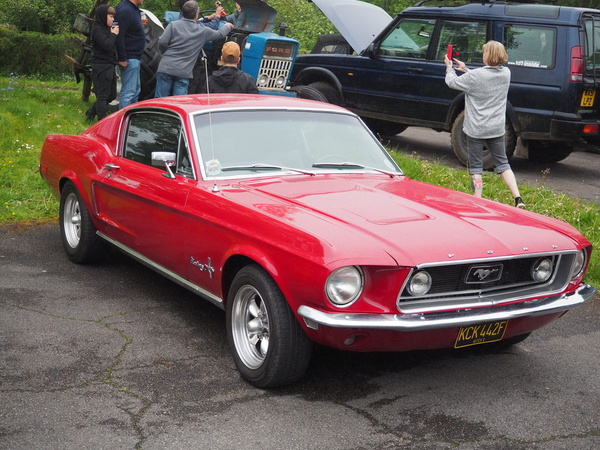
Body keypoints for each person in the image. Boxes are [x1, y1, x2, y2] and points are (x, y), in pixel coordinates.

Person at [445, 40, 525, 209]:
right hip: (496, 128)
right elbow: (485, 79)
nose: (483, 55)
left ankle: (478, 198)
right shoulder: (506, 73)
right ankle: (518, 198)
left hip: (476, 129)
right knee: (503, 163)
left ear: (488, 55)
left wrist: (449, 67)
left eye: (484, 52)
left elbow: (452, 82)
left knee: (476, 166)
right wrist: (466, 69)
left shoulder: (476, 76)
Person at [155, 1, 233, 98]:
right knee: (179, 102)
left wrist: (166, 54)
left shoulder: (173, 25)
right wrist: (227, 26)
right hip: (183, 72)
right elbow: (220, 34)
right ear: (196, 15)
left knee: (159, 99)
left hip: (166, 67)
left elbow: (162, 42)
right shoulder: (201, 30)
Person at [85, 5, 119, 122]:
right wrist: (113, 34)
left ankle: (90, 112)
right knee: (103, 96)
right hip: (102, 66)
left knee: (112, 95)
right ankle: (101, 122)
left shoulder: (105, 29)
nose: (113, 19)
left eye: (113, 17)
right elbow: (107, 46)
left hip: (110, 65)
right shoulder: (97, 30)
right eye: (110, 17)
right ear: (103, 16)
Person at [115, 0, 146, 108]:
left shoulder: (133, 9)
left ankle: (132, 119)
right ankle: (123, 120)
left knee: (135, 91)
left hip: (135, 58)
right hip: (129, 58)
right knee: (128, 93)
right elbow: (119, 35)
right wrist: (122, 58)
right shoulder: (125, 10)